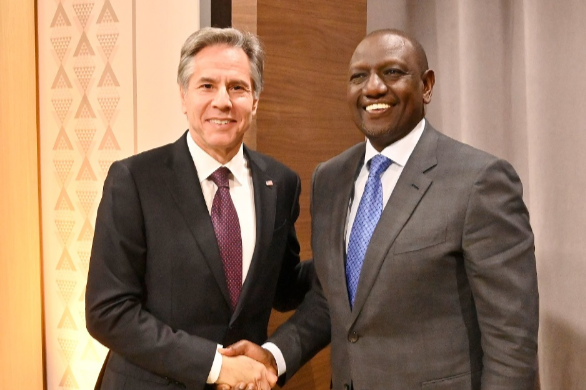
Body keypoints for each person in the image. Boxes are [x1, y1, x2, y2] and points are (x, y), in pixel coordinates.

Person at [221, 28, 539, 390]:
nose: (372, 88)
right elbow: (333, 299)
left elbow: (512, 340)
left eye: (392, 72)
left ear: (427, 85)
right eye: (359, 76)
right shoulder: (330, 178)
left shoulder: (480, 181)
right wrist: (275, 357)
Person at [85, 27, 312, 390]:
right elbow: (108, 312)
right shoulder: (134, 180)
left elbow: (283, 287)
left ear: (255, 100)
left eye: (238, 87)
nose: (223, 101)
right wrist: (216, 367)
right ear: (183, 96)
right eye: (207, 86)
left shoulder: (281, 183)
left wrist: (345, 258)